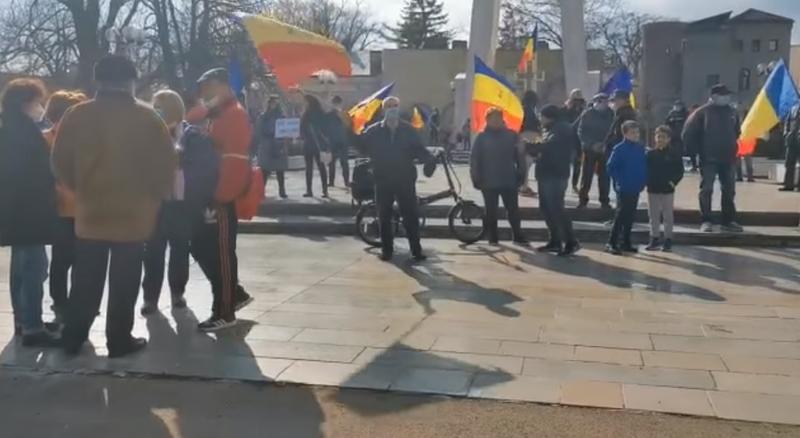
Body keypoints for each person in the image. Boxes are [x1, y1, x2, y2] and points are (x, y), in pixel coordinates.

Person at [52, 56, 176, 357]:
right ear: (131, 81)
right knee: (125, 280)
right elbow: (165, 165)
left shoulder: (77, 115)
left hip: (91, 209)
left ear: (98, 80)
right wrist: (154, 198)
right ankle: (119, 339)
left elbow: (59, 161)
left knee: (85, 277)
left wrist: (80, 188)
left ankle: (73, 336)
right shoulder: (148, 117)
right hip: (134, 213)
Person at [192, 67, 255, 331]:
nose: (203, 92)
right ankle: (234, 293)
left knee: (221, 253)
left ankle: (225, 311)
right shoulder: (216, 113)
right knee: (201, 247)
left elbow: (235, 161)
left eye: (207, 86)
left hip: (219, 197)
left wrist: (220, 197)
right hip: (208, 193)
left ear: (220, 85)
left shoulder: (234, 115)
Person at [0, 78, 61, 347]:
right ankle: (33, 326)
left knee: (21, 268)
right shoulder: (22, 132)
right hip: (27, 210)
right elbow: (30, 172)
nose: (40, 107)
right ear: (25, 103)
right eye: (38, 102)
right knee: (34, 268)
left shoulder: (10, 128)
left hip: (16, 210)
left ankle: (23, 320)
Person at [357, 96, 436, 262]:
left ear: (398, 108)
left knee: (410, 215)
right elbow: (361, 147)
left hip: (404, 178)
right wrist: (351, 130)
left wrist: (429, 159)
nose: (392, 109)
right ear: (384, 110)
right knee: (384, 216)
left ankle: (416, 250)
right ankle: (387, 250)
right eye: (389, 106)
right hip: (383, 179)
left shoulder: (408, 130)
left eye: (395, 106)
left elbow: (419, 149)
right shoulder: (374, 131)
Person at [140, 90, 193, 316]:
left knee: (180, 250)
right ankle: (150, 298)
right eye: (155, 107)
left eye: (160, 107)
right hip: (156, 200)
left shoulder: (188, 133)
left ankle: (177, 293)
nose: (157, 111)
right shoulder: (148, 133)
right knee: (153, 251)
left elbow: (195, 164)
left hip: (181, 201)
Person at [42, 90, 88, 323]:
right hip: (59, 211)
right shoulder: (44, 140)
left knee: (83, 261)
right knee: (61, 261)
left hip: (86, 210)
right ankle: (60, 303)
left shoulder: (87, 140)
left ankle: (81, 303)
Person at [682, 84, 743, 233]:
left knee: (729, 190)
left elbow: (737, 132)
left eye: (728, 95)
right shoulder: (702, 112)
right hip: (708, 158)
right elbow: (688, 134)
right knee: (707, 189)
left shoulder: (732, 112)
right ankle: (706, 220)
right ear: (714, 96)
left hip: (728, 157)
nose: (727, 98)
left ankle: (728, 220)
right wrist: (696, 152)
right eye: (724, 95)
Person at [527, 105, 580, 256]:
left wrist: (530, 146)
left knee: (556, 208)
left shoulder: (561, 129)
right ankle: (555, 241)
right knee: (546, 208)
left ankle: (571, 241)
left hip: (555, 175)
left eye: (541, 116)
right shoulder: (552, 129)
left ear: (549, 116)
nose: (540, 119)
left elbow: (550, 147)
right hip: (547, 174)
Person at [470, 108, 527, 246]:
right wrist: (475, 177)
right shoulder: (481, 138)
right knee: (491, 211)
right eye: (492, 119)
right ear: (487, 120)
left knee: (513, 210)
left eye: (498, 118)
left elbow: (520, 157)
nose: (495, 121)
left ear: (502, 119)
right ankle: (493, 237)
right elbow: (475, 159)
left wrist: (521, 174)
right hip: (488, 181)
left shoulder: (512, 136)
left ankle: (517, 235)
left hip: (508, 179)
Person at [606, 120, 647, 255]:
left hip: (635, 187)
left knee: (630, 215)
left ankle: (626, 242)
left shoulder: (640, 148)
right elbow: (611, 167)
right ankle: (612, 242)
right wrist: (620, 180)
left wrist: (642, 181)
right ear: (625, 134)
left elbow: (643, 167)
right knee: (621, 215)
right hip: (624, 187)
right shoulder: (619, 149)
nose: (636, 135)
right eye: (633, 133)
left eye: (637, 132)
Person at [645, 126, 684, 252]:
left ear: (668, 139)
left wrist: (673, 183)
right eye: (658, 136)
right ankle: (654, 238)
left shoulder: (674, 154)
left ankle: (668, 239)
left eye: (663, 137)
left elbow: (680, 171)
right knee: (653, 215)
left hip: (667, 190)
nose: (660, 139)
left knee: (668, 216)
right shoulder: (650, 154)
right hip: (653, 189)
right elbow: (645, 170)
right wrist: (646, 182)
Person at [577, 93, 614, 208]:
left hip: (605, 149)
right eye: (601, 101)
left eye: (606, 101)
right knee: (586, 176)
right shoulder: (588, 114)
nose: (604, 103)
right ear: (596, 102)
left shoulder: (611, 114)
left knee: (604, 176)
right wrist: (591, 144)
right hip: (590, 149)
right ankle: (583, 200)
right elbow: (581, 131)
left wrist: (605, 144)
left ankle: (604, 201)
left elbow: (613, 131)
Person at [256, 95, 288, 198]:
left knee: (280, 170)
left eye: (275, 102)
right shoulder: (263, 116)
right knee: (265, 170)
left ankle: (282, 191)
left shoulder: (281, 116)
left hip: (278, 145)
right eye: (272, 102)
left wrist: (285, 140)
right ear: (268, 104)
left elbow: (285, 129)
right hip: (267, 145)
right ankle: (261, 192)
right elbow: (259, 130)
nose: (273, 104)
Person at [300, 94, 330, 198]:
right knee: (322, 167)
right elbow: (325, 128)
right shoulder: (321, 113)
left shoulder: (306, 114)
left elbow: (302, 128)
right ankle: (325, 190)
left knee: (309, 168)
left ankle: (309, 190)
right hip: (319, 144)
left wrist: (302, 136)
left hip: (309, 143)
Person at [563, 89, 587, 192]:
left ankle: (574, 185)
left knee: (577, 164)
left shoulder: (584, 110)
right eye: (575, 100)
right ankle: (564, 183)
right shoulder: (566, 109)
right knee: (565, 163)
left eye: (579, 100)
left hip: (579, 140)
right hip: (568, 139)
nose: (577, 102)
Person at [519, 90, 541, 196]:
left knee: (524, 165)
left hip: (522, 140)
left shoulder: (521, 109)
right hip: (528, 140)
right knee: (526, 165)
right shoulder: (529, 111)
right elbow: (532, 126)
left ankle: (522, 186)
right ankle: (523, 187)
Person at [327, 96, 350, 187]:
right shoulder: (329, 115)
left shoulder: (344, 114)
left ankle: (346, 182)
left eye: (337, 103)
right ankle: (332, 182)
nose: (336, 105)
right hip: (334, 141)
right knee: (332, 163)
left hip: (341, 141)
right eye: (335, 104)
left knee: (343, 162)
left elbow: (348, 125)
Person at [665, 100, 690, 167]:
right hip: (673, 135)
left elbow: (688, 122)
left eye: (679, 106)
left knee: (680, 150)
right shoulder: (671, 113)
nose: (678, 107)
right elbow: (666, 122)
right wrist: (671, 121)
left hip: (682, 134)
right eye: (676, 105)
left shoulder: (685, 113)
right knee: (672, 149)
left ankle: (681, 162)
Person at [781, 102, 800, 191]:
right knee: (789, 163)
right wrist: (786, 133)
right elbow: (787, 122)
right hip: (792, 140)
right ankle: (788, 185)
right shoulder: (793, 108)